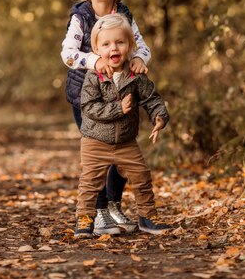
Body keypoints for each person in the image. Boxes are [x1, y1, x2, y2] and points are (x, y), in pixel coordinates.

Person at [61, 0, 151, 234]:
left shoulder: (124, 14)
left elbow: (142, 47)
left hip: (122, 94)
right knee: (99, 154)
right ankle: (98, 212)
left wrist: (138, 59)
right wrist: (92, 61)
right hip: (87, 97)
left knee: (122, 151)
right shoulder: (81, 17)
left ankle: (113, 205)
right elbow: (67, 54)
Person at [74, 14, 172, 238]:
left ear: (130, 46)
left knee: (141, 176)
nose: (113, 48)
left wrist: (159, 116)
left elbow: (151, 98)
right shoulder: (94, 76)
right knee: (90, 181)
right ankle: (85, 218)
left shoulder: (135, 75)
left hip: (126, 141)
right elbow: (88, 106)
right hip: (95, 141)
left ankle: (147, 217)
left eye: (120, 42)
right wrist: (119, 108)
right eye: (106, 44)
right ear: (97, 49)